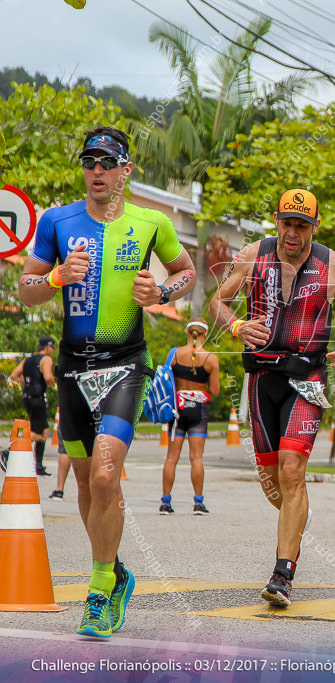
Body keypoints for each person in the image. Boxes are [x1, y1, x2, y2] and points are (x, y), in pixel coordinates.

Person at [18, 126, 195, 638]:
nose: (97, 170)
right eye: (89, 162)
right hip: (74, 367)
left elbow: (187, 272)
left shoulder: (151, 222)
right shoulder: (58, 222)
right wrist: (54, 279)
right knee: (83, 485)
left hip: (124, 366)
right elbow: (26, 289)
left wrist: (160, 289)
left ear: (125, 171)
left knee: (103, 477)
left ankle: (97, 596)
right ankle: (114, 571)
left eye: (106, 162)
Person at [209, 189, 335, 609]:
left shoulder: (334, 265)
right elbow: (218, 302)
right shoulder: (251, 257)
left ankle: (282, 573)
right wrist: (238, 326)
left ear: (315, 226)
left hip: (307, 376)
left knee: (293, 469)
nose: (292, 232)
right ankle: (296, 516)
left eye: (302, 225)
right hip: (261, 377)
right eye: (286, 222)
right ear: (276, 220)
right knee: (273, 483)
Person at [160, 319, 221, 515]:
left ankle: (166, 502)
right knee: (196, 458)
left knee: (171, 458)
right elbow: (214, 390)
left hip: (177, 411)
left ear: (188, 333)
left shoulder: (175, 355)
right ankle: (198, 503)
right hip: (198, 410)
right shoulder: (211, 359)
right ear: (205, 334)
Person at [9, 335, 57, 475]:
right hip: (37, 398)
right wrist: (54, 386)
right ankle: (10, 451)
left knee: (45, 431)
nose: (53, 350)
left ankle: (39, 467)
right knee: (37, 433)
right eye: (53, 347)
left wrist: (29, 382)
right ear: (48, 347)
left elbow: (14, 375)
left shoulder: (27, 360)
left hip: (27, 396)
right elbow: (48, 377)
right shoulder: (46, 359)